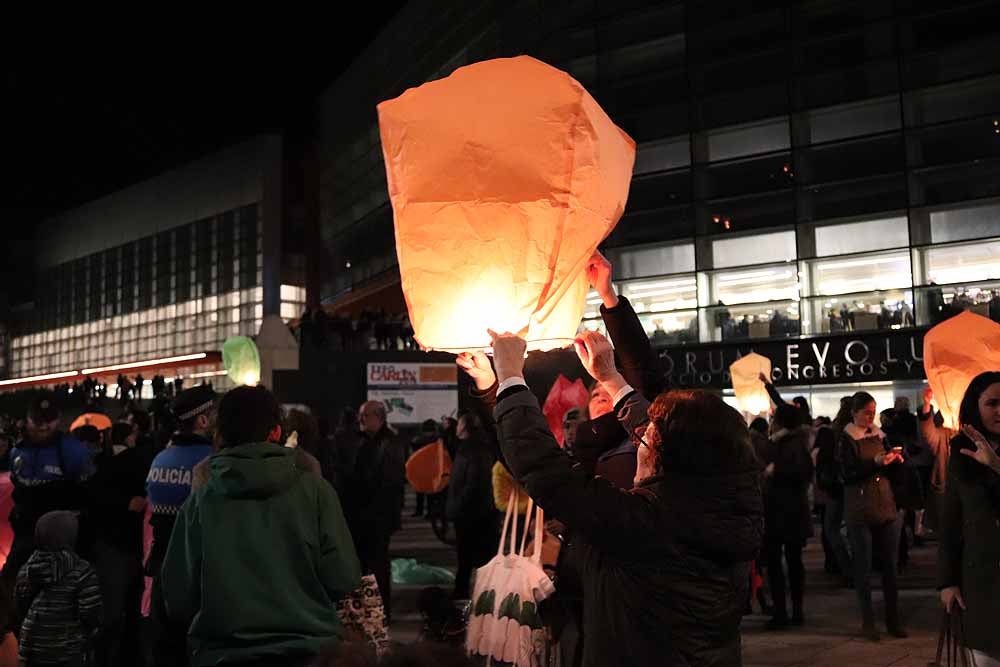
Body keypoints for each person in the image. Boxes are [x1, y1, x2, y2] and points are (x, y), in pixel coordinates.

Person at [476, 329, 762, 666]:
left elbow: (546, 472)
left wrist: (509, 376)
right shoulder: (729, 499)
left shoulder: (650, 523)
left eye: (647, 444)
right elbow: (658, 429)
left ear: (670, 458)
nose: (639, 447)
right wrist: (610, 378)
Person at [161, 385, 360, 667]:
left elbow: (178, 599)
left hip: (222, 653)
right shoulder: (317, 492)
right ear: (276, 432)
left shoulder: (199, 504)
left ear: (220, 435)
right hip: (310, 652)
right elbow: (344, 578)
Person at [144, 385, 216, 667]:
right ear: (202, 420)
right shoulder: (210, 463)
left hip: (163, 570)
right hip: (197, 575)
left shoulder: (160, 459)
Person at [938, 372, 1000, 666]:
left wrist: (996, 466)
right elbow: (950, 522)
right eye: (993, 403)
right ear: (976, 406)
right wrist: (947, 582)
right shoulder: (960, 453)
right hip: (980, 580)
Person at [2, 395, 94, 583]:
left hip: (61, 543)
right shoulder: (17, 451)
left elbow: (88, 493)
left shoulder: (72, 450)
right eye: (38, 421)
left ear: (58, 420)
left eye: (49, 421)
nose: (44, 426)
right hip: (25, 536)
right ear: (27, 420)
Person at [840, 391, 907, 641]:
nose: (871, 417)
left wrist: (895, 459)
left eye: (873, 411)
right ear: (854, 413)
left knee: (890, 565)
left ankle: (893, 620)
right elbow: (846, 473)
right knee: (864, 566)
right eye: (866, 412)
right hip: (860, 506)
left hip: (885, 504)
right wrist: (875, 463)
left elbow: (891, 466)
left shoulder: (881, 434)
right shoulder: (846, 438)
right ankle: (868, 622)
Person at [89, 421, 149, 667]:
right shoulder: (139, 462)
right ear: (131, 437)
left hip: (108, 545)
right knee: (133, 609)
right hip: (133, 544)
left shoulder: (98, 465)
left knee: (111, 613)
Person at [16, 511, 102, 667]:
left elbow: (20, 606)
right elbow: (90, 612)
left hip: (32, 646)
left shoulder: (27, 569)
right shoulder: (81, 570)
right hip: (68, 650)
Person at [762, 404, 814, 630]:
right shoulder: (799, 443)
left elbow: (796, 474)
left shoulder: (783, 445)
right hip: (794, 512)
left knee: (777, 563)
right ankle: (796, 609)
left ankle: (783, 611)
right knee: (793, 562)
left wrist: (774, 471)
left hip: (778, 511)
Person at [354, 401, 407, 621]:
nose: (361, 421)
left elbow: (389, 483)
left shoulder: (388, 444)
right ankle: (374, 610)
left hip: (377, 516)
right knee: (371, 564)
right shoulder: (373, 441)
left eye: (364, 416)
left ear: (378, 418)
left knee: (377, 565)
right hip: (372, 516)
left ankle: (380, 611)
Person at [445, 412, 498, 600]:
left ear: (466, 427)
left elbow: (475, 482)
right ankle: (470, 593)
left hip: (474, 514)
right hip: (473, 512)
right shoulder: (471, 447)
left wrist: (459, 506)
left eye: (458, 424)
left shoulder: (474, 449)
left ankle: (477, 596)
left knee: (472, 558)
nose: (457, 428)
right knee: (468, 558)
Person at [410, 420, 441, 518]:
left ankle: (419, 511)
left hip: (420, 468)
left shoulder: (417, 440)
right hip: (432, 469)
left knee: (420, 492)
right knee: (430, 494)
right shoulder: (437, 440)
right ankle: (430, 512)